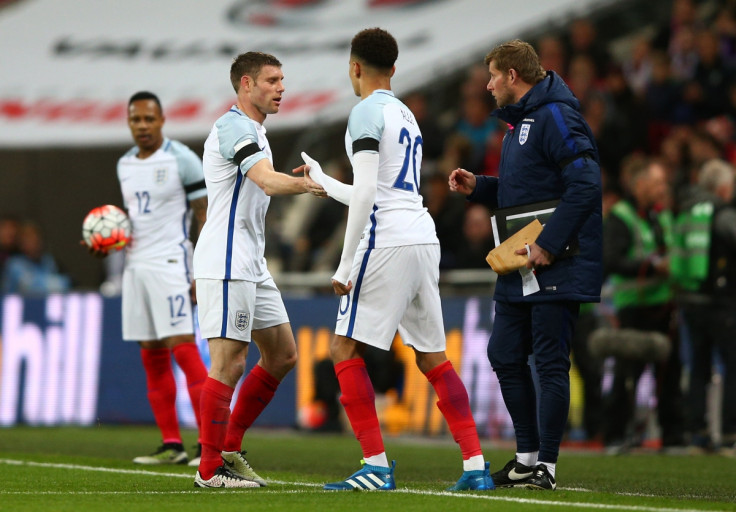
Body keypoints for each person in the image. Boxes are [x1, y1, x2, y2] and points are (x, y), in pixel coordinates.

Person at [300, 27, 494, 492]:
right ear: (393, 67)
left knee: (343, 349)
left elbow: (370, 195)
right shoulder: (406, 114)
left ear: (354, 67)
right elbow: (379, 190)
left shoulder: (364, 111)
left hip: (385, 241)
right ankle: (474, 466)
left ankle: (375, 465)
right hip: (422, 238)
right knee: (432, 358)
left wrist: (345, 265)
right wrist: (325, 182)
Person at [448, 39, 602, 490]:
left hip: (553, 260)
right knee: (504, 353)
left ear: (513, 76)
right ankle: (525, 457)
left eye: (493, 76)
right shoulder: (521, 124)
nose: (489, 84)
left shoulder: (556, 114)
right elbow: (526, 193)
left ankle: (546, 466)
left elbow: (587, 183)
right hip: (522, 262)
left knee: (551, 361)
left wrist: (550, 245)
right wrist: (480, 186)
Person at [191, 51, 325, 489]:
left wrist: (295, 178)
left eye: (283, 79)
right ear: (246, 84)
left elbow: (263, 178)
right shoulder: (233, 126)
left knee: (283, 354)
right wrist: (306, 184)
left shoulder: (256, 133)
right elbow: (266, 181)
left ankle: (227, 449)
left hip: (250, 262)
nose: (281, 87)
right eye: (272, 80)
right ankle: (209, 470)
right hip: (227, 259)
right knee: (228, 363)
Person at [98, 91, 209, 467]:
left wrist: (202, 269)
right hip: (136, 267)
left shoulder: (181, 159)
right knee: (152, 355)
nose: (142, 126)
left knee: (184, 349)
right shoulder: (124, 164)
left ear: (162, 120)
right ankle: (171, 444)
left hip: (171, 264)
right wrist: (109, 239)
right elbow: (136, 218)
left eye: (149, 119)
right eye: (136, 120)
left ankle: (209, 444)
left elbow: (203, 215)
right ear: (129, 123)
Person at [602, 158, 685, 453]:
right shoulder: (620, 217)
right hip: (633, 308)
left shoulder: (661, 217)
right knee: (628, 373)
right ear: (640, 185)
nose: (662, 189)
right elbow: (612, 260)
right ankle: (615, 435)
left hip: (663, 307)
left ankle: (672, 435)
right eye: (657, 183)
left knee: (669, 372)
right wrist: (651, 267)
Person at [672, 159, 736, 453]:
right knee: (732, 366)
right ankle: (728, 434)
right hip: (720, 302)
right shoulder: (722, 214)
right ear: (723, 187)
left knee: (698, 367)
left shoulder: (686, 210)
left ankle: (697, 433)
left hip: (689, 300)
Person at [3, 220, 71, 296]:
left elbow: (66, 283)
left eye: (35, 237)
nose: (33, 242)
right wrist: (52, 283)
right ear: (21, 243)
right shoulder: (14, 264)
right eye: (28, 239)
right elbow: (31, 288)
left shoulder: (48, 260)